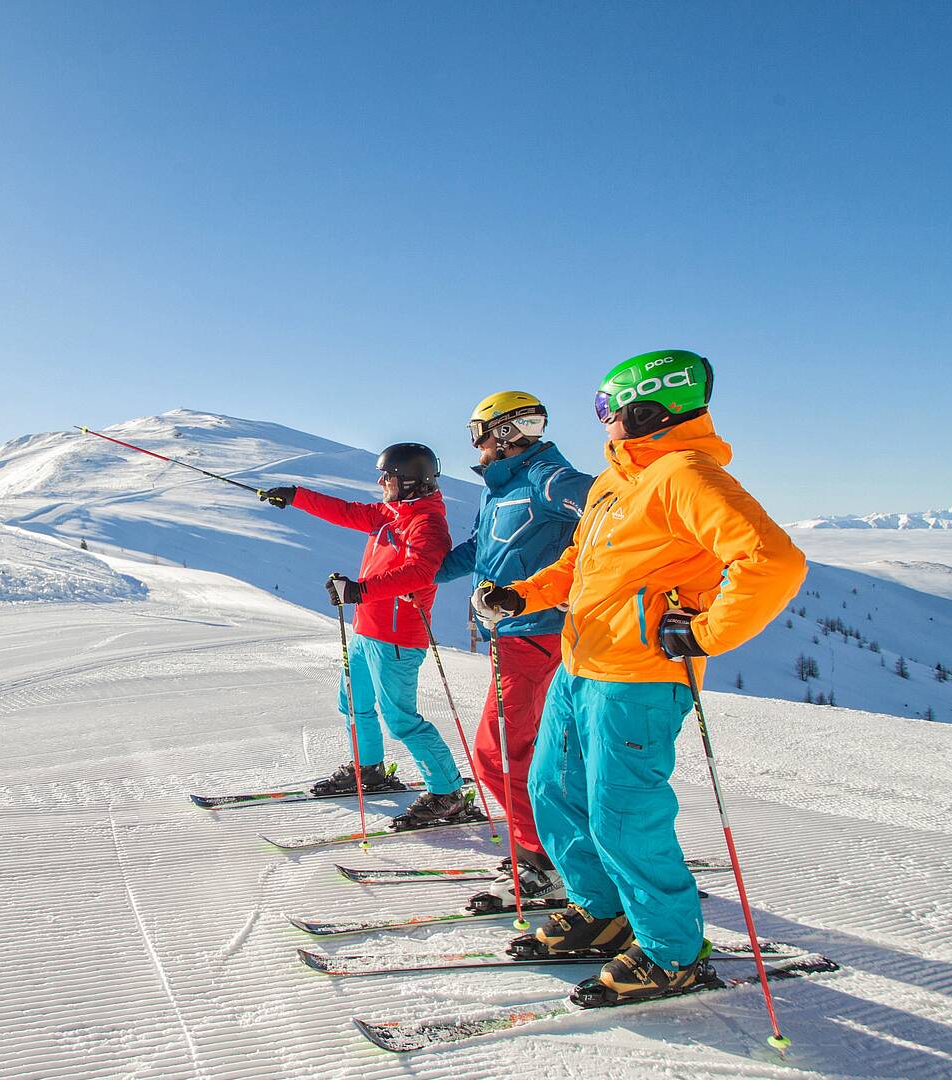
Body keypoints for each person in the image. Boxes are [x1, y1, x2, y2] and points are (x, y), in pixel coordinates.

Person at [474, 350, 806, 1003]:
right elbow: (581, 561)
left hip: (641, 677)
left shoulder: (686, 475)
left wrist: (706, 632)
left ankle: (671, 951)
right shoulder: (614, 482)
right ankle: (601, 913)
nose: (601, 421)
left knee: (623, 814)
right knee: (552, 791)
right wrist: (524, 595)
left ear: (648, 407)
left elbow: (774, 560)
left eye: (608, 407)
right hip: (580, 663)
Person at [260, 444, 475, 830]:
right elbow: (344, 512)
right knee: (353, 703)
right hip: (366, 630)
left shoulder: (426, 524)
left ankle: (448, 795)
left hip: (397, 638)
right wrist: (295, 496)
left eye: (386, 476)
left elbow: (422, 571)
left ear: (407, 482)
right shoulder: (390, 513)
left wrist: (359, 591)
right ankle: (369, 770)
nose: (380, 482)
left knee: (401, 719)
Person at [434, 391, 593, 912]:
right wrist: (418, 577)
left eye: (478, 431)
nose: (476, 443)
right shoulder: (501, 489)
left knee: (499, 752)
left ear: (500, 434)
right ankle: (552, 847)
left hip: (538, 635)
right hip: (514, 635)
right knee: (526, 751)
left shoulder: (547, 478)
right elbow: (479, 551)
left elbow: (608, 513)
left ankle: (541, 862)